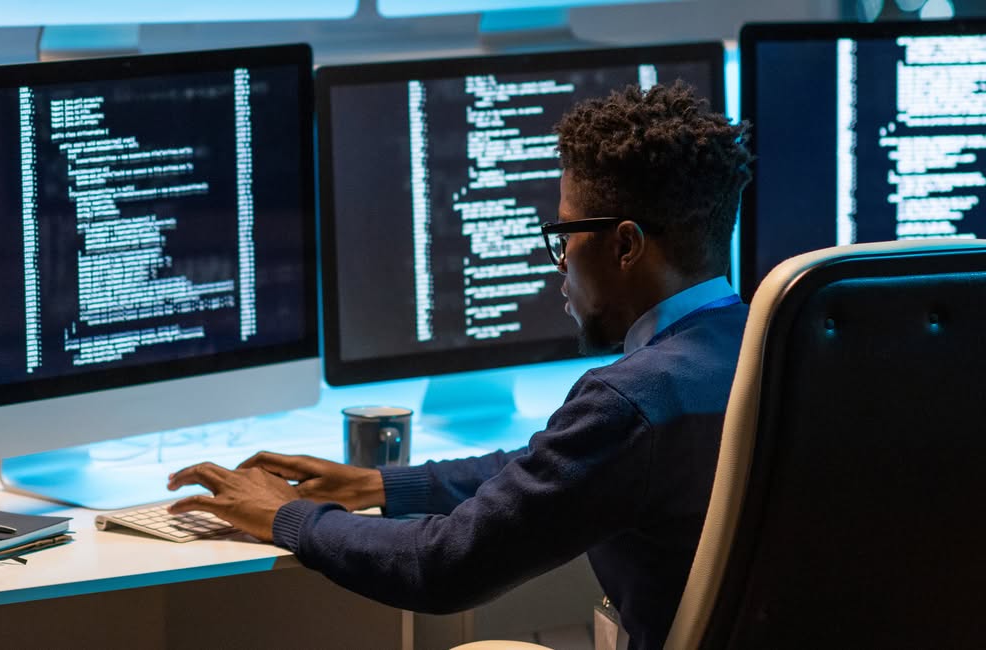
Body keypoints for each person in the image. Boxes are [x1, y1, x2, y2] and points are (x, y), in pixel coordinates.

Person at [166, 81, 753, 649]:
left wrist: (289, 516)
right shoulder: (772, 348)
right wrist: (381, 484)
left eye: (563, 236)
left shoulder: (631, 403)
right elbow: (554, 467)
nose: (559, 265)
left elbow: (443, 565)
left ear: (625, 246)